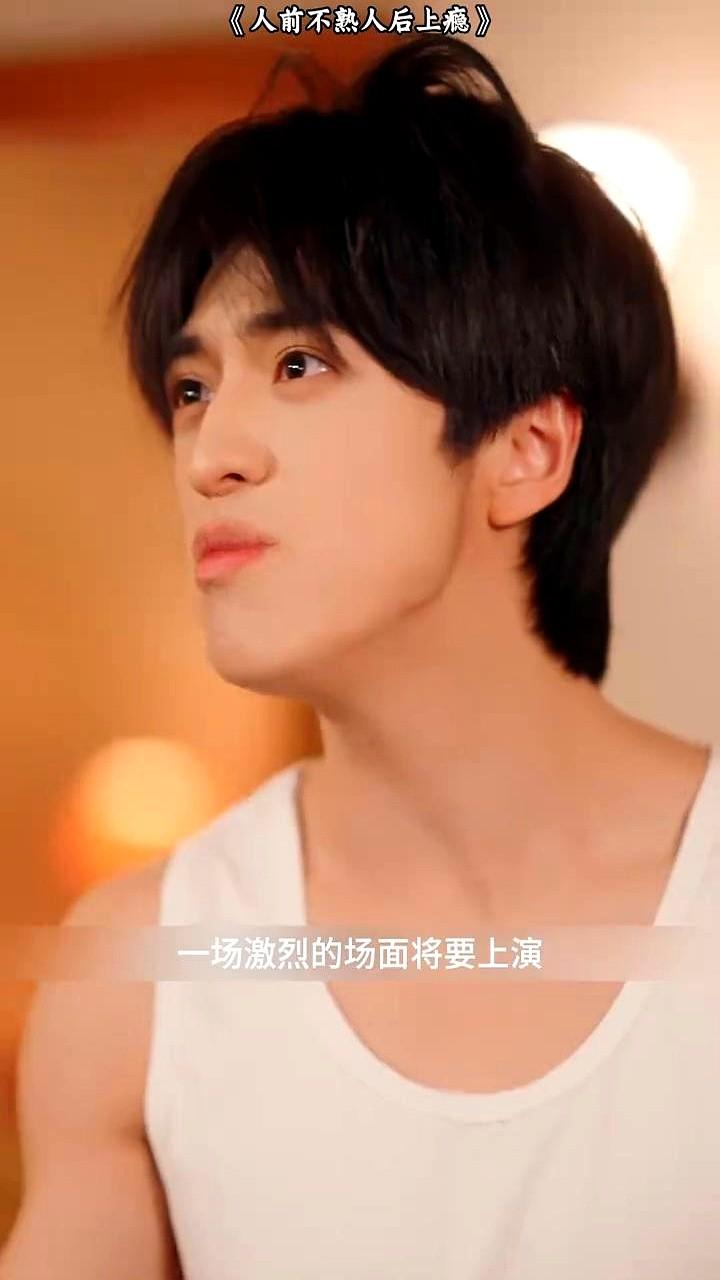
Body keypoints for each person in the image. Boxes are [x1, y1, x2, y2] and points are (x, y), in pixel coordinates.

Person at [2, 31, 718, 1280]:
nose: (211, 452)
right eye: (191, 388)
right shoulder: (140, 973)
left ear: (526, 451)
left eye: (299, 362)